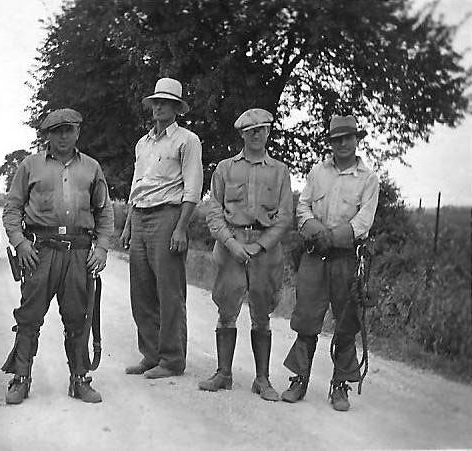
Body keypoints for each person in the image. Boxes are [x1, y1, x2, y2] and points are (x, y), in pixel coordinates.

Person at [2, 108, 114, 404]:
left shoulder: (91, 168)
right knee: (29, 315)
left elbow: (104, 212)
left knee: (78, 316)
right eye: (56, 131)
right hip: (40, 251)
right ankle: (21, 379)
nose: (63, 136)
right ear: (48, 135)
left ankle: (79, 379)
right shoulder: (30, 165)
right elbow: (12, 209)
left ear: (77, 132)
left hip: (78, 251)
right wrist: (20, 244)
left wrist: (101, 248)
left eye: (68, 130)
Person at [280, 115, 379, 411]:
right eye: (337, 139)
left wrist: (334, 236)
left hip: (347, 257)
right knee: (306, 318)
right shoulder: (317, 172)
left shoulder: (368, 178)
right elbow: (303, 205)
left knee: (347, 321)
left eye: (348, 138)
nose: (343, 144)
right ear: (331, 143)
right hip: (314, 254)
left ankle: (340, 386)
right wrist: (314, 230)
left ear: (357, 140)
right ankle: (299, 379)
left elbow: (364, 220)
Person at [200, 108, 293, 402]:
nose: (256, 135)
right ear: (242, 134)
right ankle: (223, 374)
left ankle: (262, 380)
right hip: (231, 245)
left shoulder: (279, 171)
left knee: (262, 314)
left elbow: (285, 216)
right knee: (226, 310)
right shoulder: (225, 169)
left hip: (265, 248)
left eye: (262, 129)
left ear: (268, 133)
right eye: (251, 130)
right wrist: (231, 243)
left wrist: (260, 246)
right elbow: (213, 211)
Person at [120, 78, 203, 379]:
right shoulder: (143, 143)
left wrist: (181, 228)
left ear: (176, 108)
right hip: (140, 215)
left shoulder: (187, 141)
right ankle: (151, 354)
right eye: (155, 101)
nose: (158, 107)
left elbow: (192, 188)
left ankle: (172, 359)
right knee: (141, 290)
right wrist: (129, 223)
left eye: (165, 102)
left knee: (169, 291)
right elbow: (136, 185)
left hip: (168, 215)